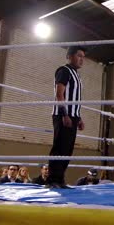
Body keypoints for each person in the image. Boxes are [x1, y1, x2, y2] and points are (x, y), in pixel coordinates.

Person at [47, 46, 86, 189]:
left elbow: (74, 99)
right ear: (69, 56)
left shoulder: (77, 75)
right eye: (79, 55)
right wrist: (65, 114)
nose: (82, 59)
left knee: (67, 149)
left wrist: (79, 117)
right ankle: (52, 180)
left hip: (73, 116)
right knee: (59, 147)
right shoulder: (64, 71)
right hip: (62, 115)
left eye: (83, 56)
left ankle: (60, 179)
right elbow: (60, 94)